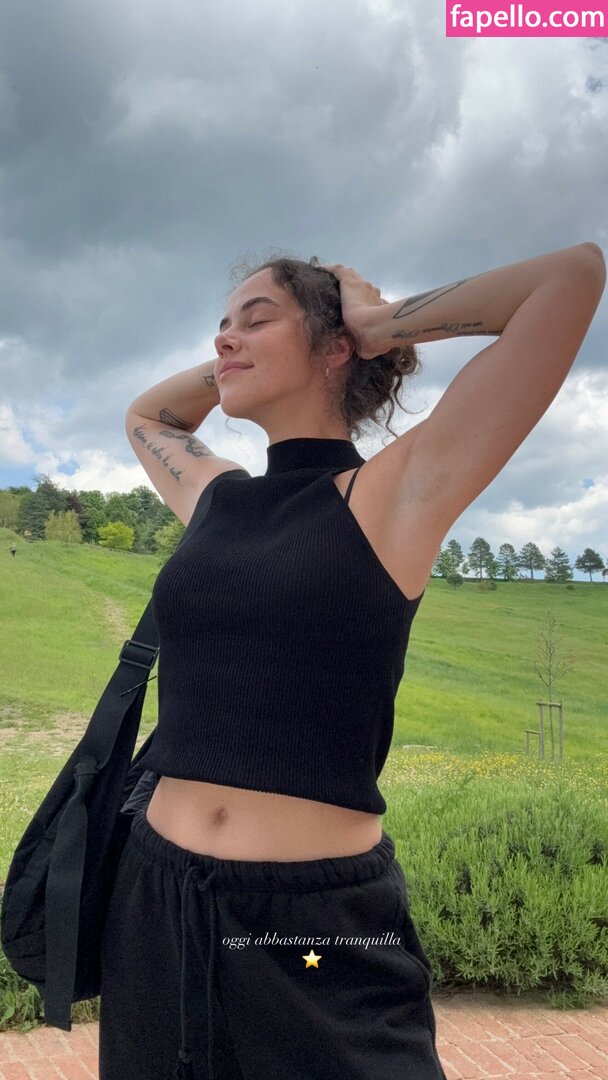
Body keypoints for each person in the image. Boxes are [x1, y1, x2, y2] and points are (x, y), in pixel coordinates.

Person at [100, 244, 605, 1080]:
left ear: (337, 346)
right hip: (155, 902)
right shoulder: (218, 498)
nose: (224, 338)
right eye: (220, 324)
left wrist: (376, 321)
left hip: (314, 924)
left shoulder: (394, 494)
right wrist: (244, 353)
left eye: (256, 318)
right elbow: (147, 418)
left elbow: (572, 277)